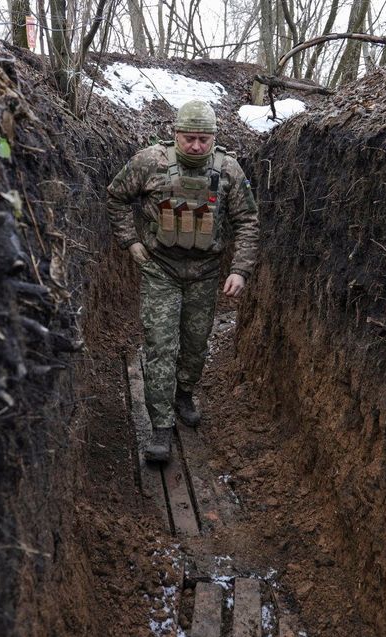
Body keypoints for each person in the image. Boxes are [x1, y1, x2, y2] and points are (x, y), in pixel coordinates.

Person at [106, 100, 259, 463]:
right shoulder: (149, 162)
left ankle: (184, 392)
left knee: (194, 343)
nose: (195, 146)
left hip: (205, 274)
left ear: (213, 139)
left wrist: (240, 269)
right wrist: (132, 242)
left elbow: (248, 222)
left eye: (203, 139)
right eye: (188, 138)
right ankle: (160, 428)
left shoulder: (229, 171)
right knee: (160, 345)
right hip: (161, 270)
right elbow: (115, 198)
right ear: (175, 134)